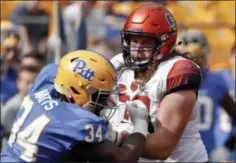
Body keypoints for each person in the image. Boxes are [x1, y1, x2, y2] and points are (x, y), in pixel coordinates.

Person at [1, 50, 149, 162]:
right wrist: (140, 125)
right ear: (77, 90)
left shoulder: (46, 80)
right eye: (101, 96)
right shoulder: (75, 122)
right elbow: (123, 159)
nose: (105, 102)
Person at [104, 4, 208, 162]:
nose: (137, 49)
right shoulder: (117, 63)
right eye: (134, 40)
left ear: (164, 43)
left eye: (146, 42)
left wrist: (113, 137)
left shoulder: (177, 70)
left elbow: (162, 147)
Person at [178, 30, 236, 161]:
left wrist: (227, 147)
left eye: (198, 57)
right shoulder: (169, 83)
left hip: (207, 153)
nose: (194, 62)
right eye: (189, 58)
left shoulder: (215, 82)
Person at [1, 65, 41, 149]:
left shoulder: (40, 104)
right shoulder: (12, 108)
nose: (31, 86)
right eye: (27, 82)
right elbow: (13, 136)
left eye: (33, 82)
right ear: (18, 82)